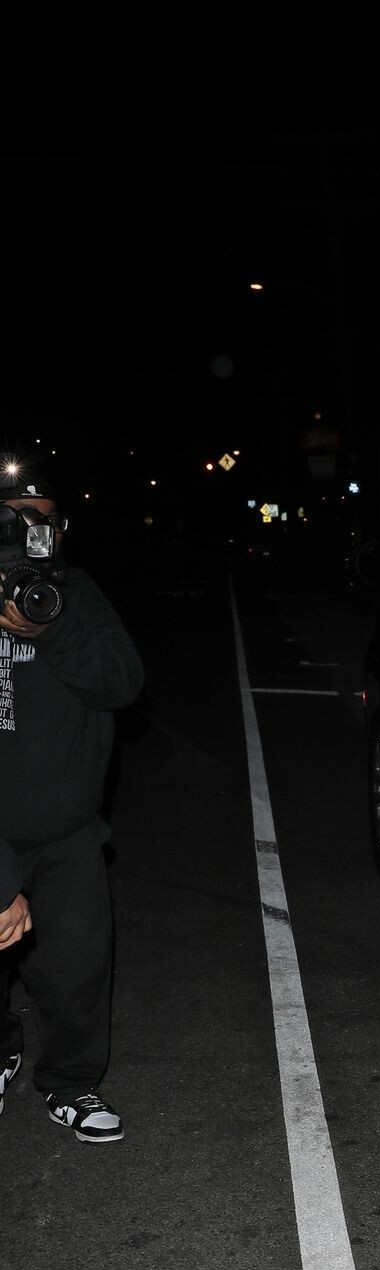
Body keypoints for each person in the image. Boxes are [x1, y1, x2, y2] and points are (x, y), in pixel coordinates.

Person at [0, 461, 143, 1141]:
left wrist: (51, 632)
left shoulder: (74, 594)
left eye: (45, 520)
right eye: (14, 519)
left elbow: (122, 683)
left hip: (68, 831)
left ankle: (72, 1083)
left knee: (78, 967)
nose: (33, 532)